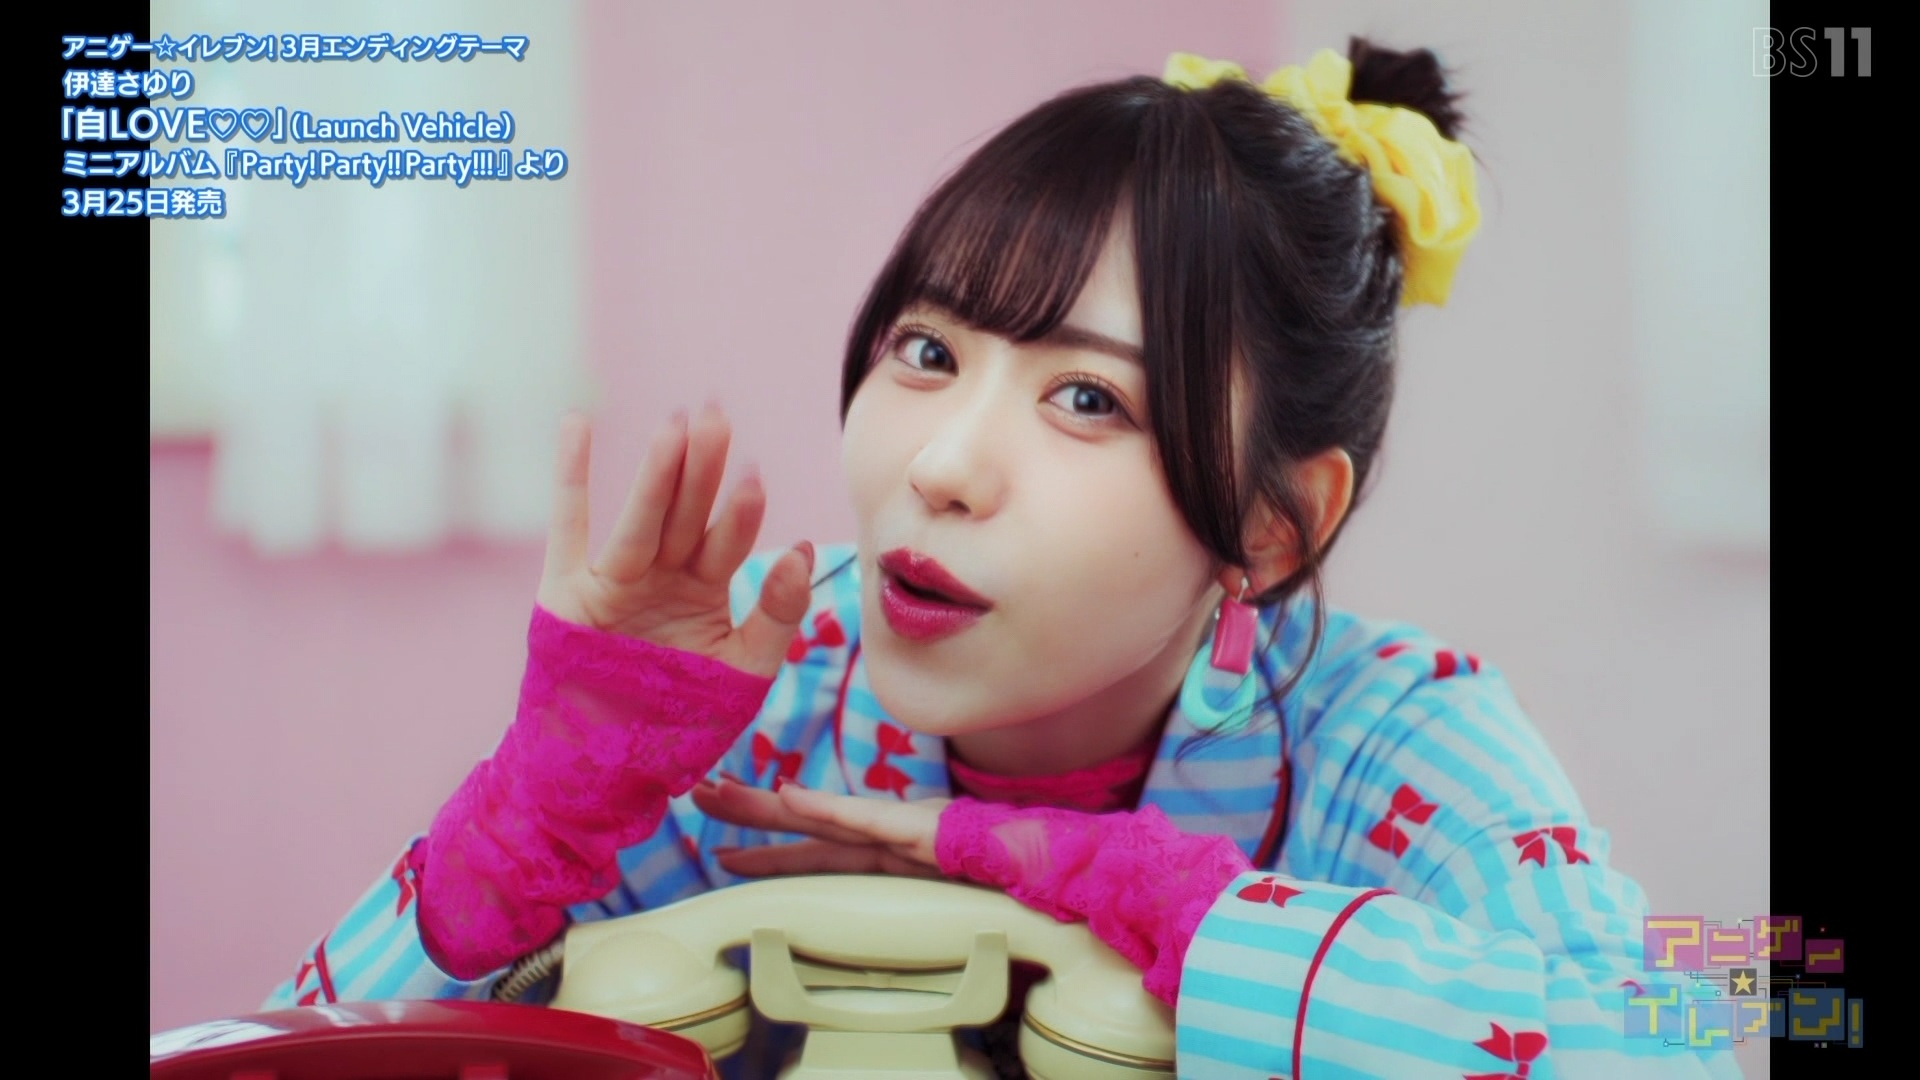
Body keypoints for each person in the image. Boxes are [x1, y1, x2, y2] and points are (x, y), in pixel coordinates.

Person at [264, 39, 1739, 1079]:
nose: (942, 466)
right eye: (926, 351)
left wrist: (1146, 893)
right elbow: (275, 1058)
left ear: (1274, 526)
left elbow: (1735, 1017)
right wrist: (527, 821)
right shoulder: (755, 699)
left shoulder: (1397, 731)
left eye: (1086, 399)